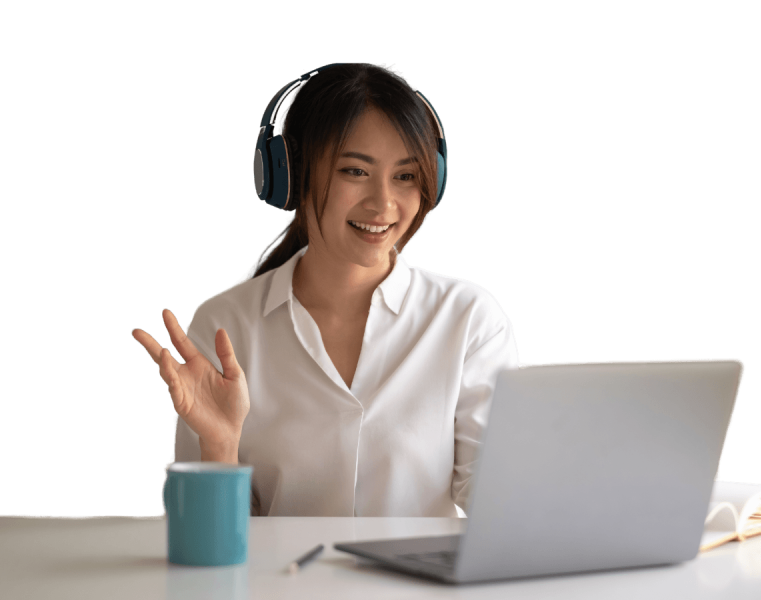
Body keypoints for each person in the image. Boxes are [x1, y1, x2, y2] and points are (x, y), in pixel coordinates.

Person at [131, 62, 519, 517]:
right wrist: (220, 446)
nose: (384, 203)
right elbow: (202, 550)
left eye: (406, 176)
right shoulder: (226, 325)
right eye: (355, 171)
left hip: (418, 590)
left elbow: (502, 504)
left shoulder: (469, 319)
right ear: (291, 174)